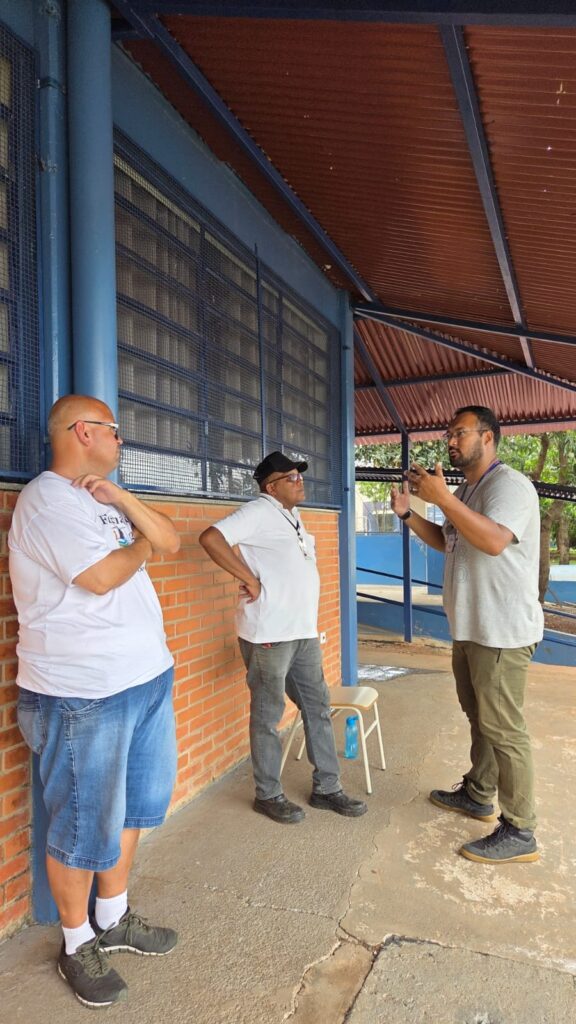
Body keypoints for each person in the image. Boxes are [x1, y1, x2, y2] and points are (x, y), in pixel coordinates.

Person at [8, 394, 181, 1009]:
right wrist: (138, 548)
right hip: (83, 694)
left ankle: (114, 916)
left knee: (136, 807)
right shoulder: (46, 501)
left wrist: (126, 503)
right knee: (83, 826)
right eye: (115, 432)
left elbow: (173, 541)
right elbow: (102, 575)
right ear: (84, 431)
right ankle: (75, 941)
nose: (122, 441)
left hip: (145, 680)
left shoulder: (99, 497)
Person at [391, 406, 543, 864]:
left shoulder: (509, 485)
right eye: (449, 434)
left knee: (504, 728)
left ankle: (521, 829)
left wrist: (440, 498)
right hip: (472, 627)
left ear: (489, 438)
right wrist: (408, 514)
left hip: (502, 631)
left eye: (460, 433)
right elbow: (448, 539)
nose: (451, 441)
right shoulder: (466, 489)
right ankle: (479, 794)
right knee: (481, 718)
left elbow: (495, 540)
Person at [199, 451, 367, 825]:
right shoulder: (258, 511)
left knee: (317, 706)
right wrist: (248, 577)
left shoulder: (292, 515)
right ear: (270, 486)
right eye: (291, 478)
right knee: (268, 714)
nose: (299, 481)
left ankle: (327, 787)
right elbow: (211, 538)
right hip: (269, 634)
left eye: (299, 476)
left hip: (302, 632)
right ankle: (268, 794)